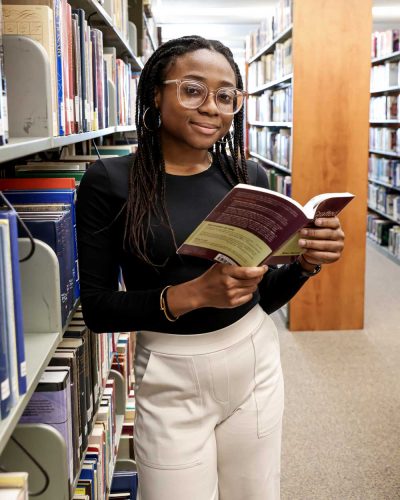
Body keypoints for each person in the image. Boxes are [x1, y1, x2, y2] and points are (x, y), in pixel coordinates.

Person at [76, 35, 345, 500]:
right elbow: (99, 309)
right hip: (170, 372)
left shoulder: (247, 177)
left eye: (226, 96)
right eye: (193, 89)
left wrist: (305, 263)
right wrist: (194, 294)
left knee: (257, 493)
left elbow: (260, 295)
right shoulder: (110, 181)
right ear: (156, 93)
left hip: (254, 358)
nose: (212, 108)